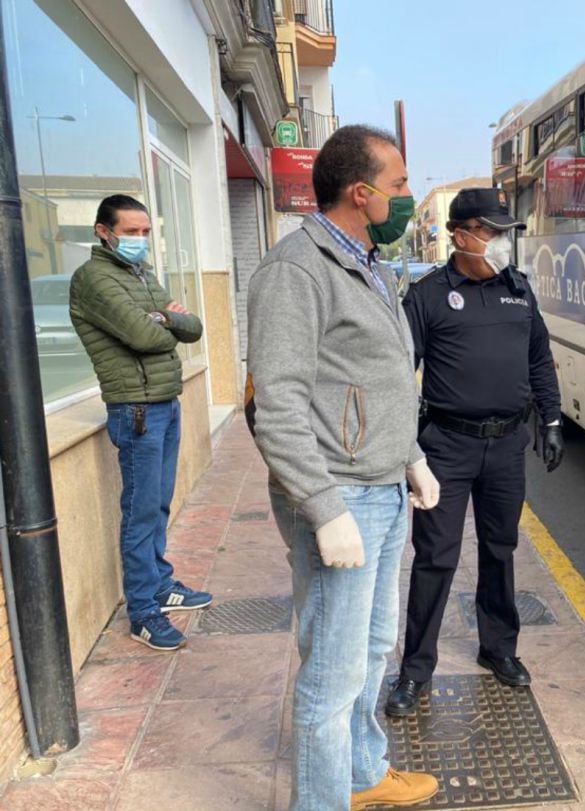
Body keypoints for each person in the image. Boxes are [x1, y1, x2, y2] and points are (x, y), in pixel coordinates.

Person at [246, 125, 440, 811]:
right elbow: (279, 404)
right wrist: (324, 509)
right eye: (399, 186)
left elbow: (379, 378)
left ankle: (362, 775)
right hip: (341, 495)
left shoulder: (373, 265)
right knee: (330, 673)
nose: (407, 198)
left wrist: (410, 457)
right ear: (361, 193)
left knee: (372, 649)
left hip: (383, 488)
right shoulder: (297, 270)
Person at [385, 188, 564, 718]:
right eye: (490, 231)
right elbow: (396, 374)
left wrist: (550, 421)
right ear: (458, 234)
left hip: (508, 444)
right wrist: (407, 448)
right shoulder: (428, 295)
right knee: (435, 558)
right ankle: (415, 670)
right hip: (447, 445)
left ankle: (498, 648)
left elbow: (539, 359)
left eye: (504, 232)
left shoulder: (519, 290)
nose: (500, 242)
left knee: (500, 549)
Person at [68, 195, 212, 652]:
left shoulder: (139, 274)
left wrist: (165, 316)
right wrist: (166, 317)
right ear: (103, 231)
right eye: (131, 232)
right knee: (140, 511)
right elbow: (145, 335)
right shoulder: (93, 279)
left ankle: (160, 584)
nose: (140, 240)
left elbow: (193, 328)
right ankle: (144, 613)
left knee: (159, 504)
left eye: (146, 232)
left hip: (163, 401)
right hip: (135, 409)